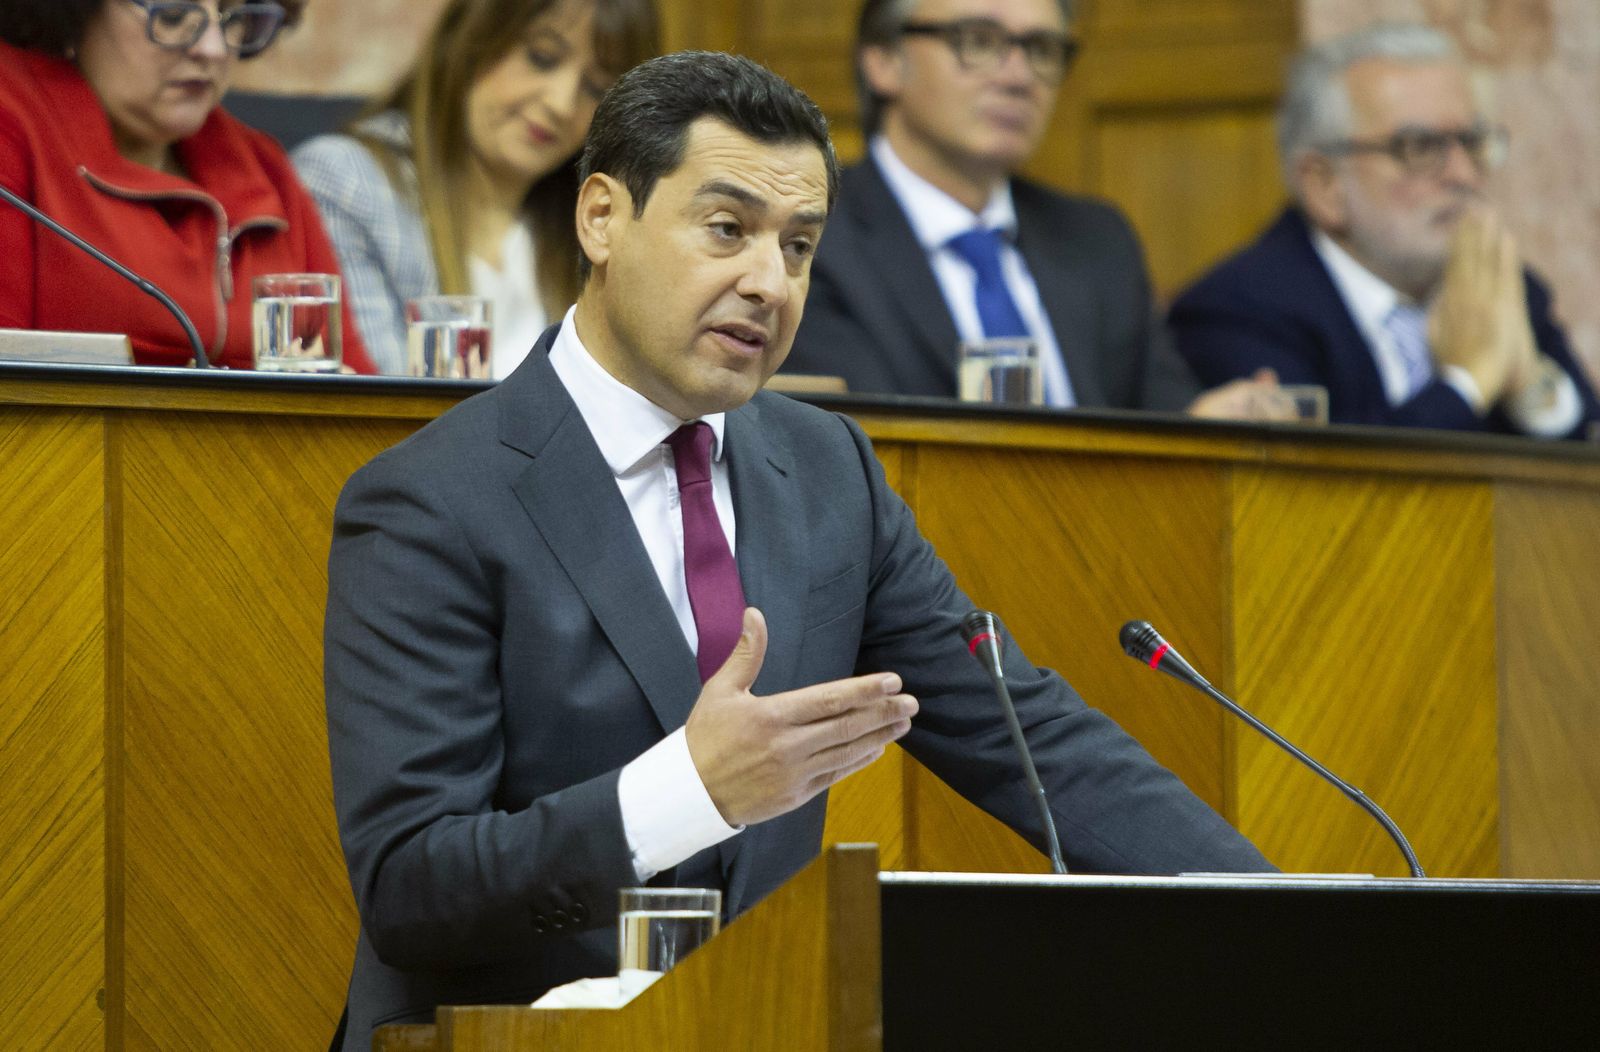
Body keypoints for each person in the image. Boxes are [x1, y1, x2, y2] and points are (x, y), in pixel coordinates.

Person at [322, 50, 1273, 1049]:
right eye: (727, 229)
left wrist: (1279, 916)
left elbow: (1025, 734)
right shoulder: (430, 499)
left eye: (800, 245)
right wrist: (689, 789)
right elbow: (412, 883)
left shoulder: (826, 470)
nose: (768, 283)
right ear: (601, 217)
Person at [781, 0, 1292, 421]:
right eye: (979, 42)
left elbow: (1163, 419)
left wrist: (1213, 420)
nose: (1020, 76)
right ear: (885, 61)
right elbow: (855, 446)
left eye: (1042, 49)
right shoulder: (812, 234)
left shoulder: (1097, 239)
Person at [1169, 22, 1600, 436]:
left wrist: (1526, 385)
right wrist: (1469, 381)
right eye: (1420, 147)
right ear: (1324, 185)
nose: (1464, 174)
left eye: (1470, 142)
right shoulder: (1238, 312)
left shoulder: (1501, 289)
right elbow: (1327, 496)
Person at [0, 0, 376, 372]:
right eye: (173, 14)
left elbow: (358, 389)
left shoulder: (263, 166)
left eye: (233, 16)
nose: (212, 48)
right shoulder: (12, 118)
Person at [292, 0, 658, 377]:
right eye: (542, 57)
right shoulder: (347, 182)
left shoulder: (595, 225)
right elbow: (378, 416)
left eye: (596, 88)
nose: (561, 103)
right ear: (469, 38)